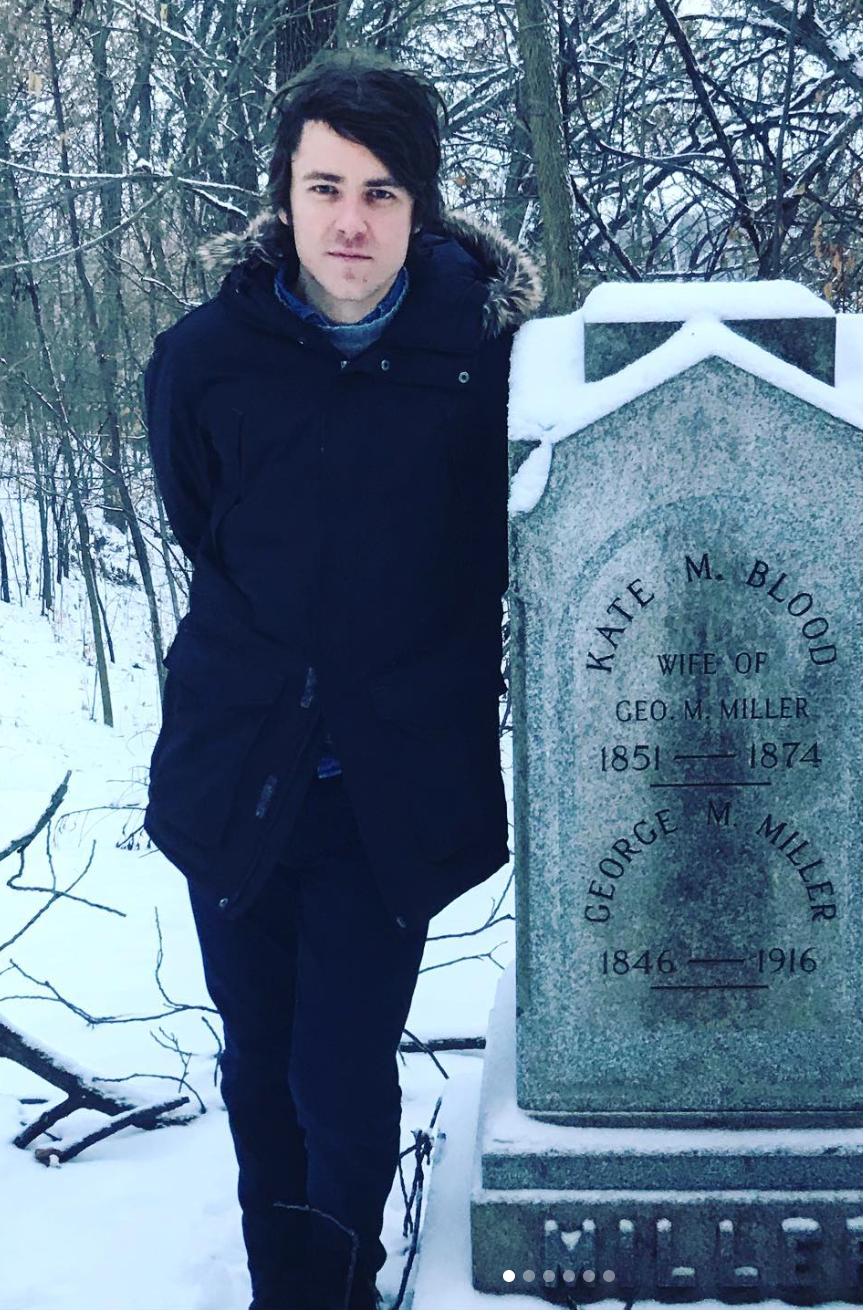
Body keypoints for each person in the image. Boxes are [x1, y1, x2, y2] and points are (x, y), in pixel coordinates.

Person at [142, 49, 540, 1310]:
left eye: (380, 190)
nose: (350, 220)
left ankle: (337, 1285)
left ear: (421, 204)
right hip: (239, 772)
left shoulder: (489, 363)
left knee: (340, 1068)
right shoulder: (205, 360)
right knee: (259, 1057)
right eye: (325, 187)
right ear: (285, 193)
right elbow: (199, 520)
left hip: (390, 781)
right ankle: (284, 1282)